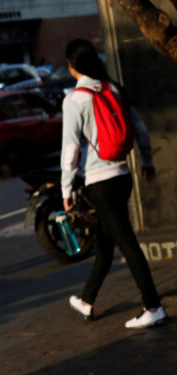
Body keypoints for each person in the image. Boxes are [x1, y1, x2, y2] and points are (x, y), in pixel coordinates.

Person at [62, 39, 167, 329]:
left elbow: (70, 151)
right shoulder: (114, 88)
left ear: (73, 66)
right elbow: (140, 129)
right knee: (105, 243)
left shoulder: (74, 99)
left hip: (100, 184)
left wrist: (66, 190)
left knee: (127, 244)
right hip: (123, 177)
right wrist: (146, 161)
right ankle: (86, 301)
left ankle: (153, 307)